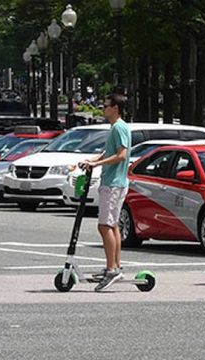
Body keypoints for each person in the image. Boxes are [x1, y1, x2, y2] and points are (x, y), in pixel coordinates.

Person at [78, 93, 131, 291]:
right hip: (114, 182)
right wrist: (92, 160)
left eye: (106, 106)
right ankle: (115, 266)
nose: (103, 109)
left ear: (115, 108)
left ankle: (111, 270)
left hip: (113, 183)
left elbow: (122, 155)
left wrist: (98, 164)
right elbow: (110, 152)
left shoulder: (119, 127)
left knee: (104, 226)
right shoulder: (116, 127)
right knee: (112, 225)